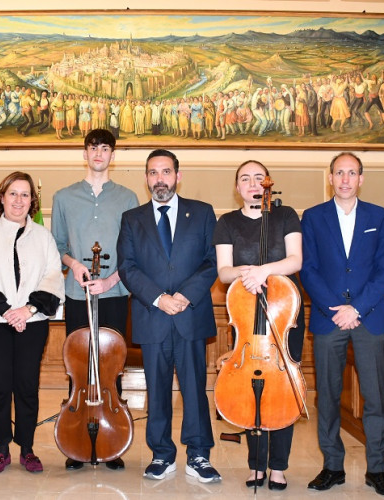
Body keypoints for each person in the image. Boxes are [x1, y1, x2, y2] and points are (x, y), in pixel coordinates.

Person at [117, 149, 221, 483]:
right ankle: (162, 455)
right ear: (146, 178)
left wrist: (184, 296)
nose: (159, 179)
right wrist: (159, 298)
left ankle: (199, 454)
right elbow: (127, 267)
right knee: (157, 391)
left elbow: (212, 261)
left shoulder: (203, 213)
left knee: (194, 388)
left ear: (178, 175)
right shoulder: (132, 218)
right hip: (153, 316)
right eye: (152, 173)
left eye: (165, 172)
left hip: (191, 315)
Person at [299, 152, 384, 496]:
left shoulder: (380, 217)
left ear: (361, 179)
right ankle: (332, 466)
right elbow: (308, 269)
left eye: (351, 173)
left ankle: (377, 469)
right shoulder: (312, 217)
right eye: (339, 172)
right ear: (330, 178)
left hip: (368, 318)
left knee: (375, 397)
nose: (345, 179)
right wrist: (334, 308)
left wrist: (355, 308)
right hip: (329, 320)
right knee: (327, 395)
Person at [213, 160, 304, 491]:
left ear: (267, 183)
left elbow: (295, 260)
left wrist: (263, 271)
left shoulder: (286, 215)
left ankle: (278, 466)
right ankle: (256, 465)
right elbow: (224, 271)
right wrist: (247, 274)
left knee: (284, 387)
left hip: (284, 311)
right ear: (237, 187)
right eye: (244, 179)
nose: (252, 184)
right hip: (246, 311)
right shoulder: (227, 222)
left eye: (258, 178)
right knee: (250, 385)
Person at [51, 128, 138, 471]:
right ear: (84, 154)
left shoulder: (129, 197)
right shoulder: (63, 197)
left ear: (112, 156)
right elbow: (58, 246)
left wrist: (113, 278)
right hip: (78, 293)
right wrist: (73, 265)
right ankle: (75, 441)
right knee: (79, 366)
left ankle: (112, 443)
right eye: (93, 148)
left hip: (115, 292)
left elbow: (132, 251)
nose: (99, 154)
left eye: (105, 149)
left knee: (111, 367)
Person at [0, 171, 64, 475]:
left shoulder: (44, 237)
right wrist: (9, 310)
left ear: (32, 201)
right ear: (2, 197)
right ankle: (1, 448)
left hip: (32, 322)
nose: (18, 200)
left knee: (26, 385)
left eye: (25, 194)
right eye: (13, 193)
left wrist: (29, 309)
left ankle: (27, 448)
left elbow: (53, 276)